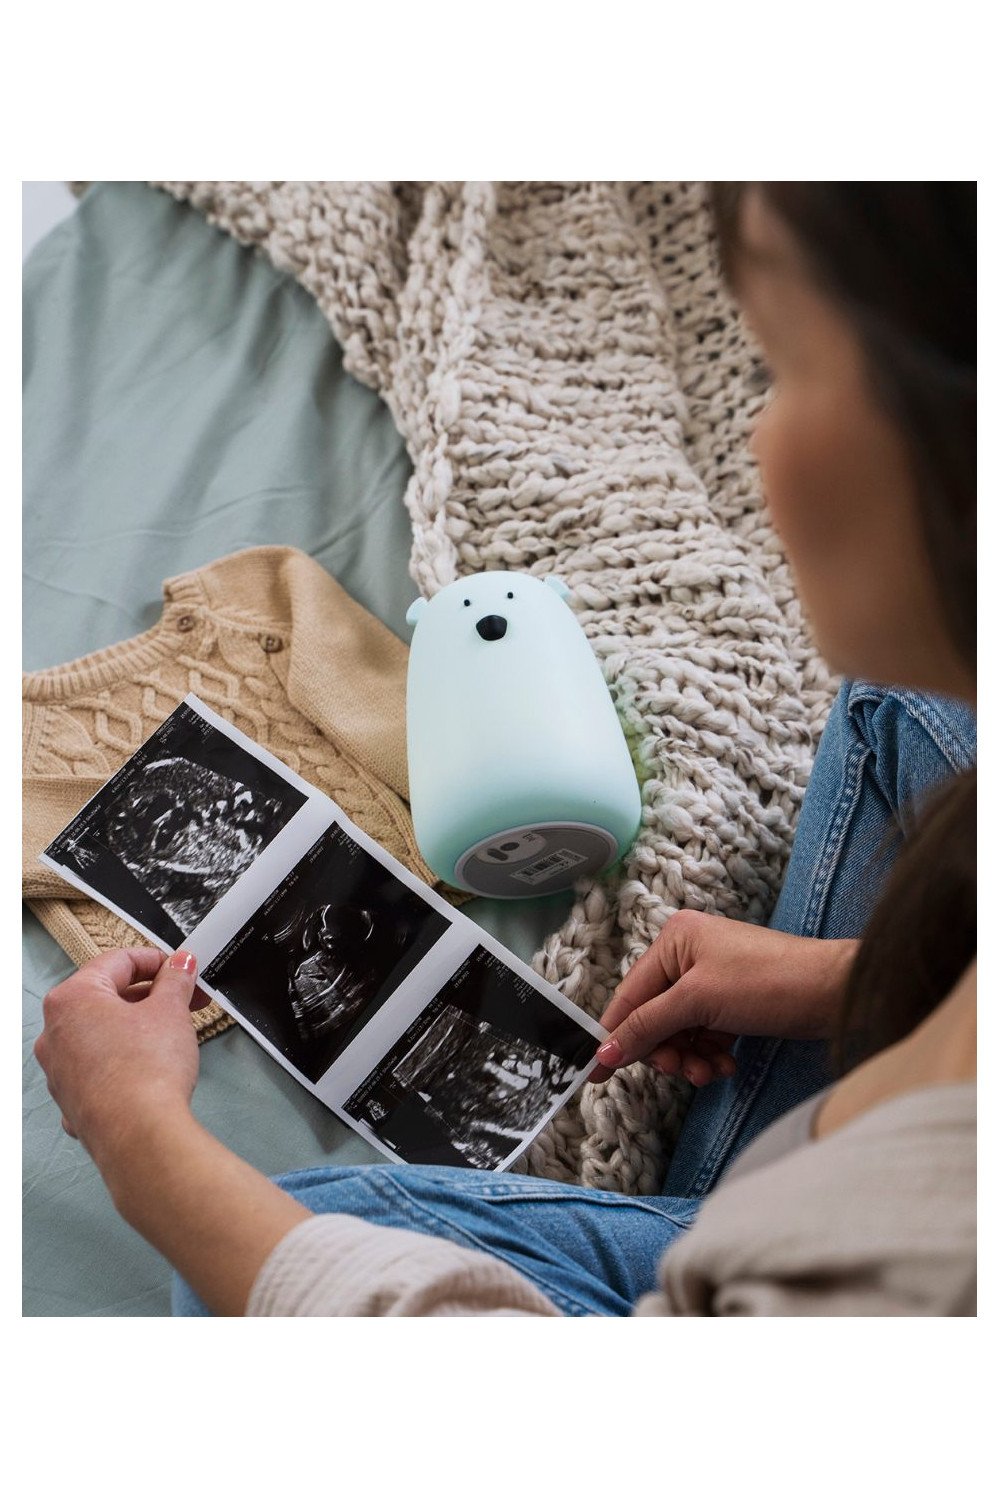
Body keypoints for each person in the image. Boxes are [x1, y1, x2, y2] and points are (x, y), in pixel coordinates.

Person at [33, 182, 976, 1316]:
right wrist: (852, 980)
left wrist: (132, 1132)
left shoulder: (877, 1302)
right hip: (904, 1098)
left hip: (784, 1254)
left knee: (275, 1268)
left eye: (793, 370)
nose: (748, 434)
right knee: (902, 704)